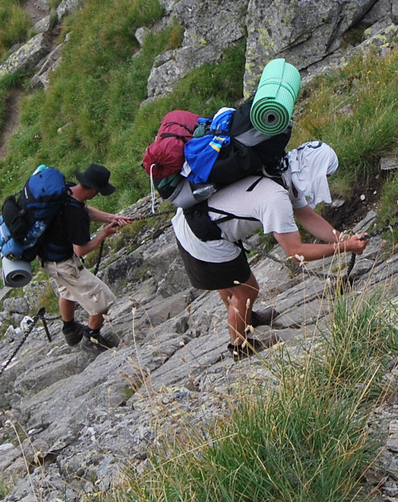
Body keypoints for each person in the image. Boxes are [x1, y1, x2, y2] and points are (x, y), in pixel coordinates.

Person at [171, 141, 367, 358]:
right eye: (326, 177)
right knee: (247, 290)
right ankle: (240, 347)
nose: (327, 182)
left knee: (232, 281)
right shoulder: (276, 197)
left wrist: (343, 238)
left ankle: (247, 318)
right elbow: (295, 252)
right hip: (202, 236)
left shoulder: (282, 170)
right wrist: (344, 247)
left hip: (198, 219)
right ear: (314, 172)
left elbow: (307, 215)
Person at [41, 163, 131, 348]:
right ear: (93, 189)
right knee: (103, 300)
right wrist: (103, 234)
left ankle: (70, 330)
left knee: (66, 291)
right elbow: (80, 250)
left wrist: (111, 217)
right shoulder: (75, 215)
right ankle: (92, 338)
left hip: (49, 258)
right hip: (64, 265)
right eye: (98, 191)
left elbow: (85, 209)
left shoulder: (66, 190)